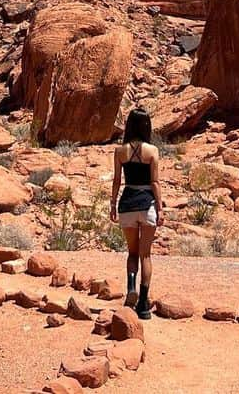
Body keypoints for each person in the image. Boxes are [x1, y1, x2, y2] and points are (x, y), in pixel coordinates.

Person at [110, 107, 163, 320]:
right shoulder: (152, 151)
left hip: (127, 203)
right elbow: (155, 182)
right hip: (147, 204)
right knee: (146, 255)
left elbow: (116, 181)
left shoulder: (120, 151)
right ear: (146, 126)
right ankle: (142, 304)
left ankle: (131, 285)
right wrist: (160, 208)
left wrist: (112, 205)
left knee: (132, 252)